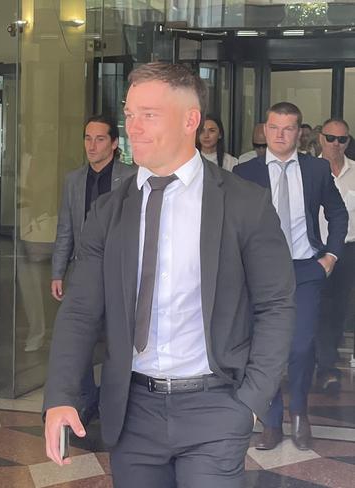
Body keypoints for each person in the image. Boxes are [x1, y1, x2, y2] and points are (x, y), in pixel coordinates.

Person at [43, 62, 296, 488]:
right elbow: (81, 309)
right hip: (132, 408)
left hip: (215, 406)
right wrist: (61, 396)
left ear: (190, 120)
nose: (133, 127)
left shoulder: (243, 204)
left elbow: (276, 303)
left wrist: (251, 399)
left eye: (149, 115)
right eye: (129, 114)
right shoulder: (109, 210)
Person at [234, 102, 348, 451]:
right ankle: (271, 421)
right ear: (264, 130)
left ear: (300, 133)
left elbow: (338, 212)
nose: (280, 135)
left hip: (305, 269)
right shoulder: (245, 172)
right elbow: (232, 223)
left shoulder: (315, 170)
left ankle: (299, 413)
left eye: (287, 128)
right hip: (259, 274)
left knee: (300, 346)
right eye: (273, 127)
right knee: (264, 349)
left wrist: (330, 256)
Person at [51, 114, 136, 423]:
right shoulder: (74, 180)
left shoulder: (131, 177)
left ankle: (114, 401)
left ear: (114, 144)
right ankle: (85, 400)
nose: (92, 145)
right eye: (88, 138)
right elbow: (65, 229)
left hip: (119, 269)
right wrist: (58, 271)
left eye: (100, 139)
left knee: (116, 337)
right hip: (81, 269)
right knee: (78, 335)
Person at [316, 118, 355, 395]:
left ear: (348, 142)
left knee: (340, 307)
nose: (336, 144)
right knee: (318, 308)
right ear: (321, 138)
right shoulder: (309, 170)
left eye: (342, 139)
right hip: (315, 250)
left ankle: (326, 359)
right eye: (331, 138)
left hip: (349, 249)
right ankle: (326, 364)